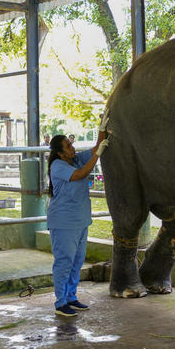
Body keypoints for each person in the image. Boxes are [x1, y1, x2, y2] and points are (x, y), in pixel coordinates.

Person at [47, 130, 108, 316]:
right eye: (68, 146)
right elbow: (81, 174)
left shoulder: (75, 159)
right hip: (64, 221)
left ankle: (71, 297)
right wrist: (97, 155)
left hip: (80, 220)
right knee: (64, 261)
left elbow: (97, 147)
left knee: (77, 261)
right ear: (59, 153)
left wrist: (102, 128)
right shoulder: (58, 166)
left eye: (71, 145)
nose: (72, 148)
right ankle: (60, 302)